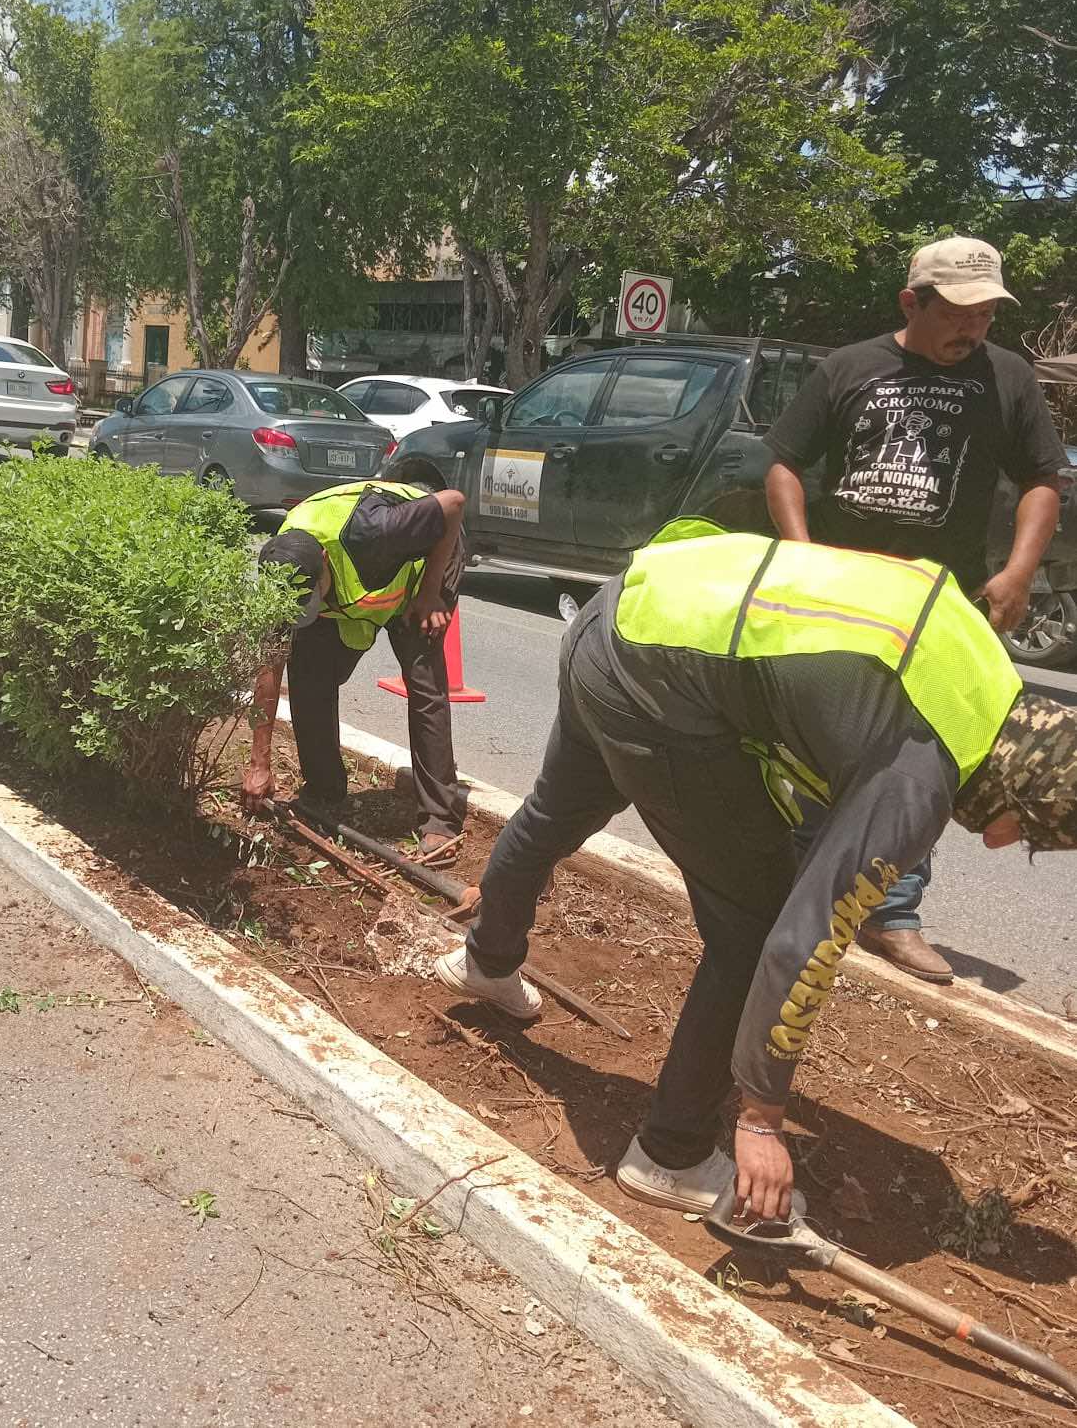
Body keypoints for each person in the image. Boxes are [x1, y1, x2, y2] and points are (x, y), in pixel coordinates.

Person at [433, 520, 1077, 1221]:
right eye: (1022, 830)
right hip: (658, 680)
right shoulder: (919, 775)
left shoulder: (983, 671)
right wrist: (763, 1116)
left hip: (629, 610)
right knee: (754, 923)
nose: (997, 843)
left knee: (556, 810)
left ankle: (486, 961)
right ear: (1018, 788)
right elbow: (806, 938)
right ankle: (671, 1154)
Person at [763, 235, 1065, 983]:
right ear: (911, 302)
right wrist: (802, 555)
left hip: (943, 606)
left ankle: (891, 911)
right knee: (817, 745)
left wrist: (1019, 572)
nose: (973, 328)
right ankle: (796, 886)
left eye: (986, 314)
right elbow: (784, 463)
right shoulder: (849, 368)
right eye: (958, 313)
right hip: (841, 600)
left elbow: (1042, 479)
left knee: (923, 758)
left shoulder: (1007, 377)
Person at [242, 479, 467, 860]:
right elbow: (270, 664)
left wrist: (430, 591)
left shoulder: (376, 530)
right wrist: (258, 763)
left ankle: (440, 821)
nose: (308, 609)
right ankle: (324, 790)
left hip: (426, 563)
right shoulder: (285, 568)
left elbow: (453, 504)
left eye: (312, 598)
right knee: (308, 673)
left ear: (323, 561)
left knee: (424, 681)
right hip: (368, 583)